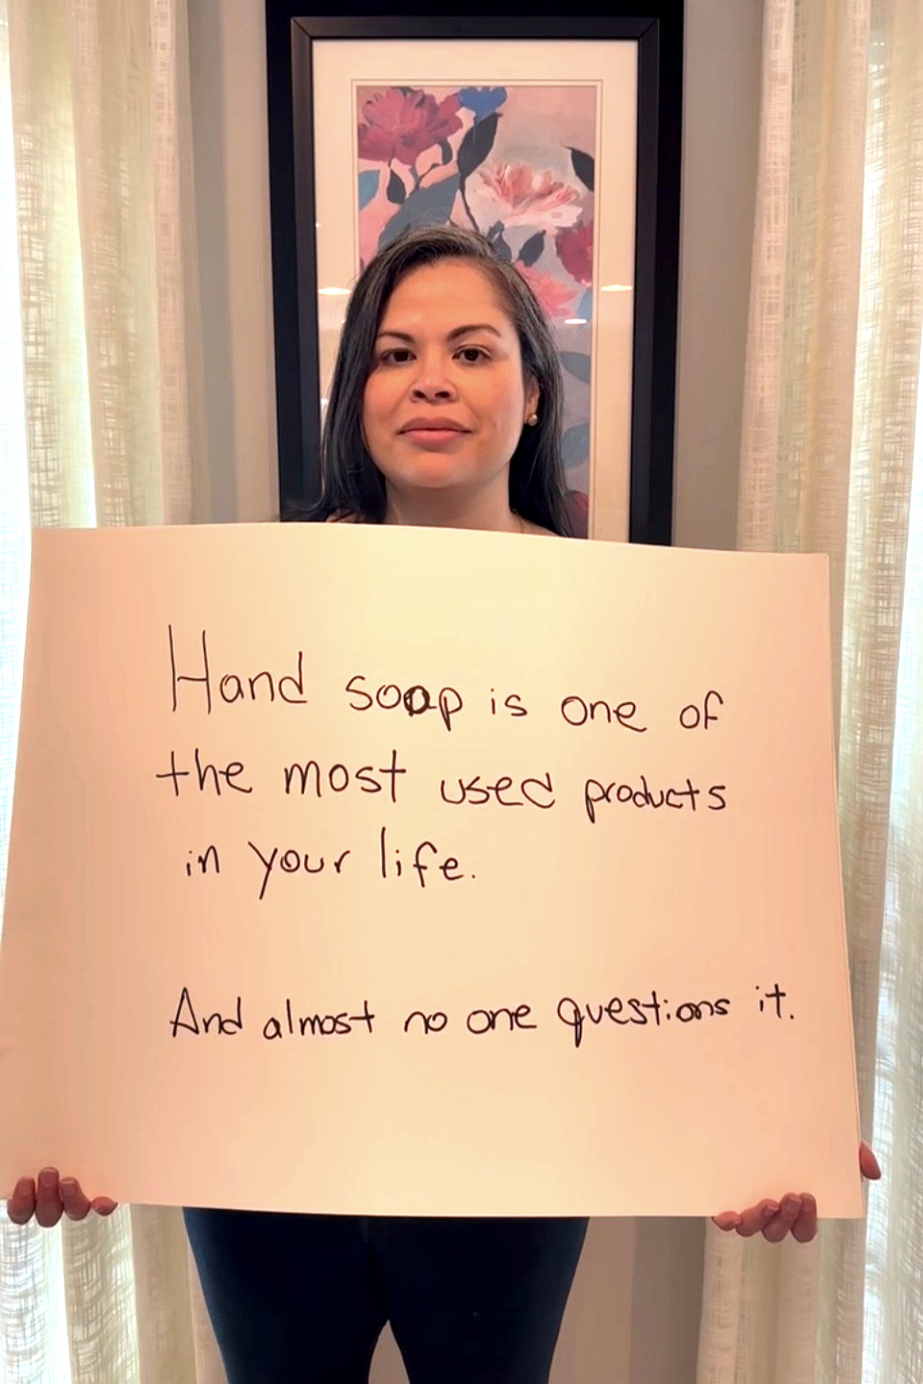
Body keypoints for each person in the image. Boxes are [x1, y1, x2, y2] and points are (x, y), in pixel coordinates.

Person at [6, 226, 881, 1382]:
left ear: (530, 396)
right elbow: (132, 882)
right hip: (263, 1145)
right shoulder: (226, 620)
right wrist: (66, 1098)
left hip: (504, 1162)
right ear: (352, 396)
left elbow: (697, 904)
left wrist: (774, 1111)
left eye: (470, 350)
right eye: (390, 352)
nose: (428, 378)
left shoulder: (642, 639)